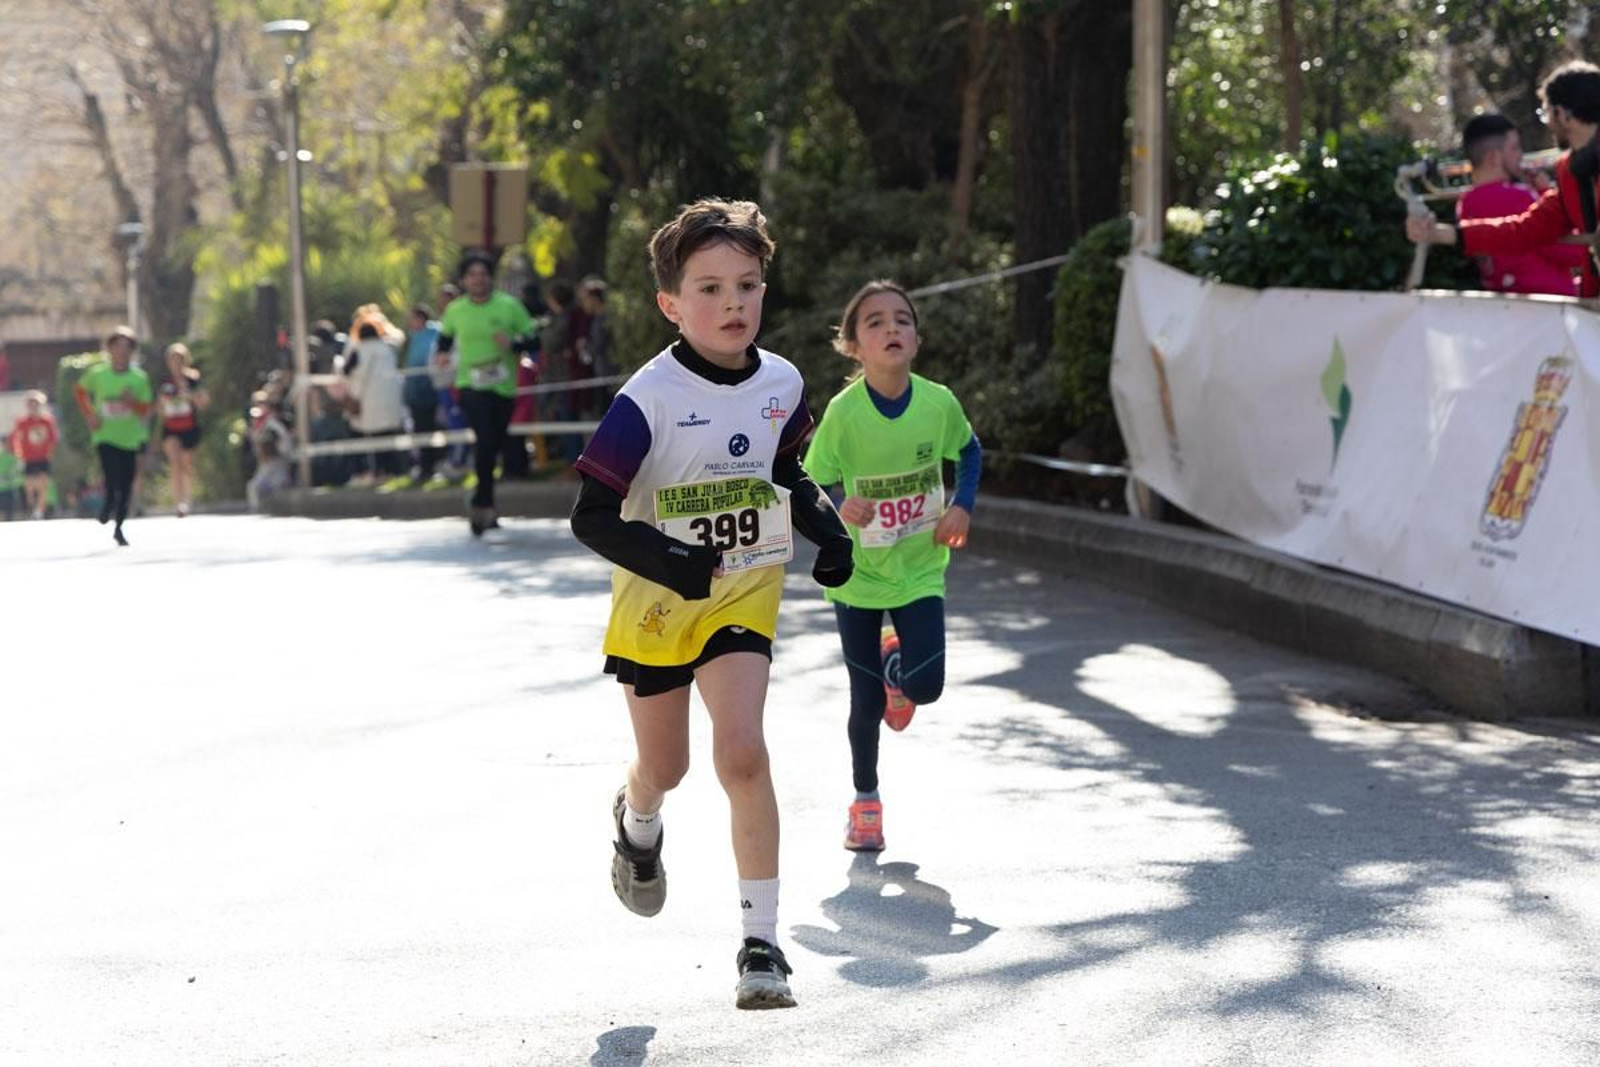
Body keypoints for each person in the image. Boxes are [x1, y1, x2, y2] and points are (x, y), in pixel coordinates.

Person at [569, 198, 855, 1011]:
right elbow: (589, 515)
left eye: (748, 284)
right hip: (657, 602)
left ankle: (761, 944)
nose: (733, 304)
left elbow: (786, 473)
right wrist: (669, 558)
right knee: (671, 766)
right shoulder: (647, 398)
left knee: (742, 753)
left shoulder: (781, 381)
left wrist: (829, 535)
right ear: (670, 304)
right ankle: (637, 816)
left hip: (744, 589)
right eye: (709, 289)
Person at [802, 280, 982, 853]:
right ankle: (865, 803)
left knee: (926, 688)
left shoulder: (937, 403)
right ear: (853, 345)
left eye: (902, 319)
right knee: (865, 700)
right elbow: (810, 475)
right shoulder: (844, 414)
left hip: (921, 564)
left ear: (917, 338)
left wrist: (961, 504)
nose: (891, 329)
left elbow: (970, 451)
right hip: (859, 572)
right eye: (874, 322)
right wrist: (838, 501)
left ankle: (899, 667)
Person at [1408, 62, 1600, 296]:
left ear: (1561, 113)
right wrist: (1440, 233)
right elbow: (1522, 231)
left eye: (1546, 113)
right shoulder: (1570, 173)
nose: (1548, 123)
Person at [437, 252, 538, 534]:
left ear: (490, 277)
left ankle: (485, 503)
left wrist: (514, 344)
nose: (478, 279)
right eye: (472, 275)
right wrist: (442, 355)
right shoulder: (456, 309)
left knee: (493, 443)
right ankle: (483, 501)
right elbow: (444, 338)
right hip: (470, 384)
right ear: (464, 280)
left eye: (482, 274)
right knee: (486, 438)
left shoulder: (509, 306)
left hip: (503, 386)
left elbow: (533, 339)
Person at [1454, 114, 1585, 296]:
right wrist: (1545, 193)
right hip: (1551, 306)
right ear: (1493, 158)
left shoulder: (1465, 202)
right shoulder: (1518, 196)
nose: (1521, 155)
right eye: (1514, 148)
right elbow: (1573, 254)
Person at [72, 326, 152, 546]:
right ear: (109, 349)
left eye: (127, 347)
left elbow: (145, 409)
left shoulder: (139, 378)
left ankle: (119, 527)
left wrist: (131, 403)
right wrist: (90, 415)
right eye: (117, 346)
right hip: (104, 434)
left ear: (132, 350)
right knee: (112, 474)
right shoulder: (98, 374)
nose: (122, 351)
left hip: (130, 436)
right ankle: (107, 503)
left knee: (126, 483)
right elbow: (79, 391)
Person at [343, 319, 405, 481]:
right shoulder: (388, 349)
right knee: (388, 440)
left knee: (367, 440)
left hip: (368, 403)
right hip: (390, 402)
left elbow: (347, 372)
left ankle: (371, 473)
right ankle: (391, 473)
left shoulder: (359, 350)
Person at [158, 343, 209, 516]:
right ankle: (179, 503)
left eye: (179, 359)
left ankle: (187, 498)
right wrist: (165, 402)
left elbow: (204, 403)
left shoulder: (194, 380)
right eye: (173, 360)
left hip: (190, 427)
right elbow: (159, 407)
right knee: (175, 462)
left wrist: (189, 397)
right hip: (171, 428)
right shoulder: (165, 382)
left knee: (186, 464)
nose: (176, 363)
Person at [402, 304, 444, 482]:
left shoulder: (434, 334)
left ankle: (430, 466)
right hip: (414, 392)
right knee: (420, 429)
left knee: (429, 427)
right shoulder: (412, 338)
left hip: (429, 390)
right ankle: (424, 466)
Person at [10, 390, 59, 520]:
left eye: (36, 404)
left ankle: (39, 510)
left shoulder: (47, 420)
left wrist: (51, 452)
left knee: (44, 483)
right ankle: (31, 506)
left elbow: (53, 438)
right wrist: (17, 451)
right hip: (28, 456)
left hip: (43, 456)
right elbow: (15, 437)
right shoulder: (22, 421)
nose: (33, 406)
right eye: (31, 404)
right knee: (29, 485)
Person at [0, 438, 20, 521]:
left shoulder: (12, 458)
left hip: (8, 489)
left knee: (9, 514)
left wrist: (8, 477)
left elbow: (16, 473)